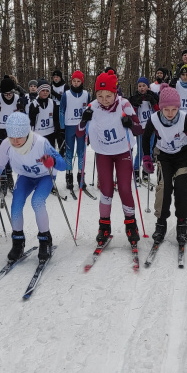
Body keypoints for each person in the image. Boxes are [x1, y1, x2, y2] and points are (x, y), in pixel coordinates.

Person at [76, 70, 144, 245]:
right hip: (104, 153)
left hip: (123, 152)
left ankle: (131, 225)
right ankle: (104, 227)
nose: (104, 100)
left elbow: (139, 129)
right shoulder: (92, 107)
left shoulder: (125, 104)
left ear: (115, 93)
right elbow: (79, 132)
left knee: (124, 188)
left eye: (108, 96)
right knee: (106, 190)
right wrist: (84, 120)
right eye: (100, 96)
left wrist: (130, 122)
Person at [0, 112, 68, 261]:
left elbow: (63, 164)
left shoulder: (40, 143)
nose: (15, 141)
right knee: (16, 204)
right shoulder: (6, 144)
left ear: (27, 133)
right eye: (12, 137)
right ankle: (18, 241)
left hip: (45, 175)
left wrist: (52, 161)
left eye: (19, 137)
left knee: (37, 202)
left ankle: (45, 239)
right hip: (25, 176)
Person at [141, 85, 187, 244]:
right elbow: (146, 138)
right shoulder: (154, 119)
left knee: (182, 188)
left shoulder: (184, 118)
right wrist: (147, 158)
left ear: (178, 108)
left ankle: (182, 223)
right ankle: (160, 223)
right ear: (160, 108)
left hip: (183, 154)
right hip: (164, 156)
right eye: (166, 109)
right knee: (164, 187)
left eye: (173, 109)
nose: (170, 113)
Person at [0, 75, 29, 191]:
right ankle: (3, 178)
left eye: (10, 93)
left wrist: (21, 109)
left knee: (11, 154)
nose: (8, 96)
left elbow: (24, 115)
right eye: (6, 94)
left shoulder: (17, 98)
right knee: (1, 154)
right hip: (0, 129)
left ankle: (9, 174)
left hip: (12, 129)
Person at [60, 70, 90, 191]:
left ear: (82, 82)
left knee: (81, 152)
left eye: (78, 81)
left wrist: (89, 128)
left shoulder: (86, 94)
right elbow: (61, 111)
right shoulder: (66, 94)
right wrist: (62, 128)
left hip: (81, 126)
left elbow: (89, 111)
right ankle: (69, 176)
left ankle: (81, 176)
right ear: (71, 81)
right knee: (69, 152)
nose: (76, 83)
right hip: (69, 126)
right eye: (74, 81)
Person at [129, 77, 158, 183]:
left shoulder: (152, 96)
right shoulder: (135, 97)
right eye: (139, 86)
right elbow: (132, 114)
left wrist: (153, 102)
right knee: (141, 151)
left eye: (144, 86)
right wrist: (136, 105)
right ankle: (136, 170)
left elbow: (158, 111)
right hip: (141, 128)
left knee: (149, 150)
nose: (142, 88)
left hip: (150, 128)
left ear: (148, 87)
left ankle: (146, 171)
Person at [28, 82, 58, 149]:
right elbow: (31, 120)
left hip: (50, 133)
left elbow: (56, 118)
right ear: (39, 91)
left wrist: (57, 131)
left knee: (50, 156)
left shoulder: (52, 103)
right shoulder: (34, 104)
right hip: (38, 134)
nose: (45, 93)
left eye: (47, 91)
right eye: (43, 91)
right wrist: (34, 113)